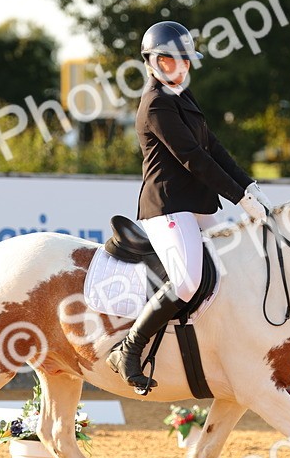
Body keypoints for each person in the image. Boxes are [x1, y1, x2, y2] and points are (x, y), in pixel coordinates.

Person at [106, 20, 270, 392]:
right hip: (167, 208)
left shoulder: (182, 98)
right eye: (171, 62)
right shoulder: (155, 105)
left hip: (194, 205)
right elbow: (193, 158)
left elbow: (213, 147)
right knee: (186, 281)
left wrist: (250, 185)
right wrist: (240, 199)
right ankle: (129, 349)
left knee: (236, 264)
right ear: (153, 62)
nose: (181, 68)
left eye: (185, 61)